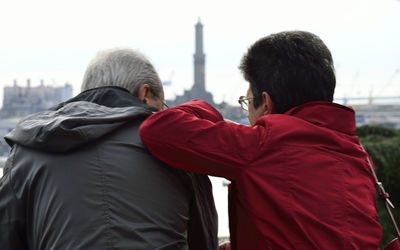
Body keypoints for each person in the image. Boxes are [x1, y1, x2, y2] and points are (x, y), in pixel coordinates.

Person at [139, 31, 382, 249]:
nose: (247, 113)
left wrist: (209, 112)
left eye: (246, 103)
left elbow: (158, 128)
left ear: (265, 103)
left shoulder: (261, 146)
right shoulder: (357, 155)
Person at [0, 48, 218, 250]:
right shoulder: (177, 146)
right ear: (145, 94)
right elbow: (204, 239)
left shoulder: (29, 148)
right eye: (162, 106)